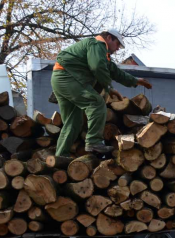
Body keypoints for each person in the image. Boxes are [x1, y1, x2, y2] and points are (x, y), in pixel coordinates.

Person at [51, 28, 153, 157]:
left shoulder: (102, 54)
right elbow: (97, 66)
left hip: (62, 80)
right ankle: (94, 141)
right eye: (117, 44)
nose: (117, 49)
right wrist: (108, 88)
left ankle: (60, 156)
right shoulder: (97, 44)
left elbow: (115, 72)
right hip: (68, 78)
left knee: (73, 122)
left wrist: (136, 81)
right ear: (109, 38)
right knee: (96, 103)